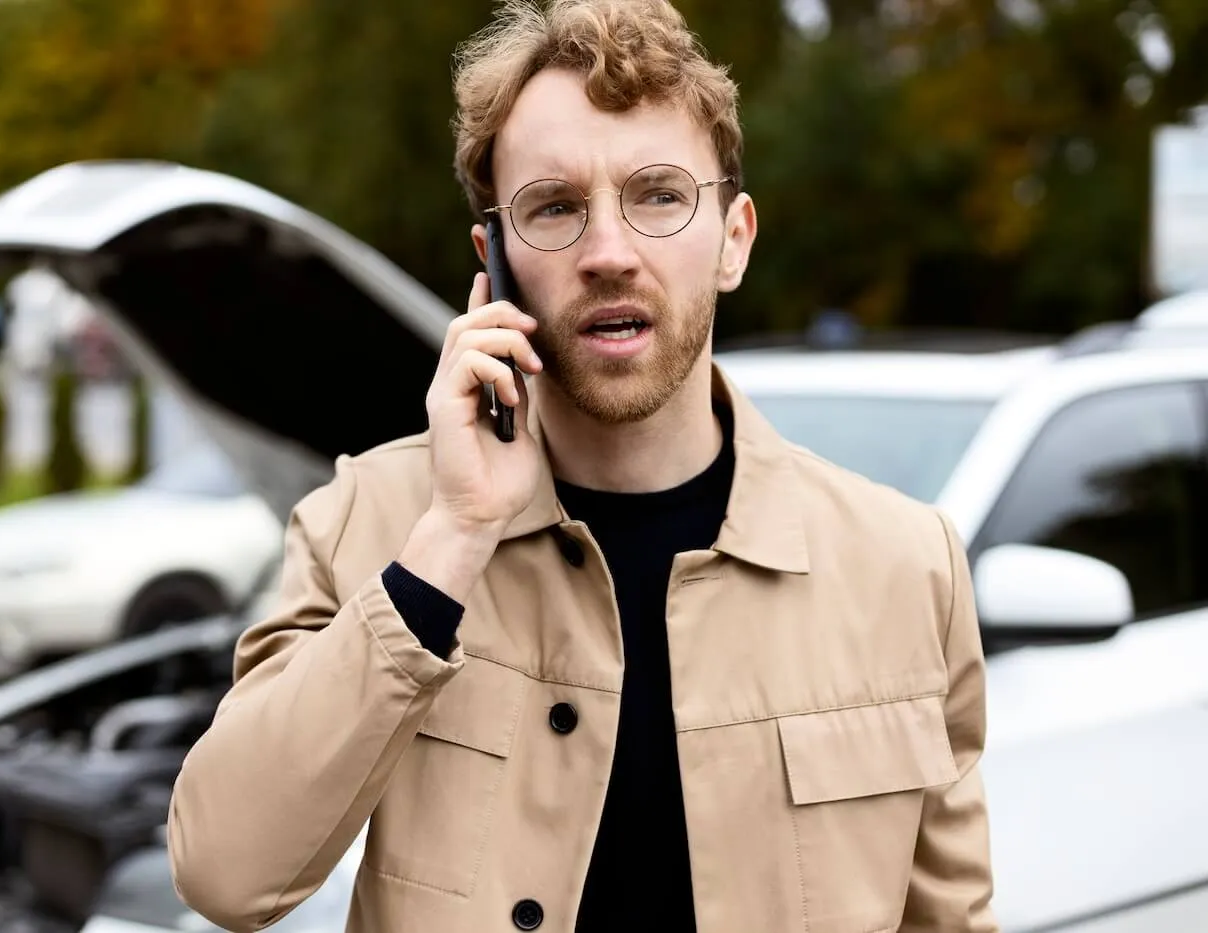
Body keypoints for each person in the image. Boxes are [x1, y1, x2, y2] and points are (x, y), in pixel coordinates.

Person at [167, 1, 999, 931]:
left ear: (734, 238)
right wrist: (453, 537)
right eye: (556, 207)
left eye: (658, 195)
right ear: (496, 260)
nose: (609, 253)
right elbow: (225, 874)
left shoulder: (905, 566)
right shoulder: (373, 518)